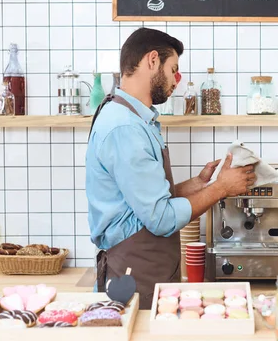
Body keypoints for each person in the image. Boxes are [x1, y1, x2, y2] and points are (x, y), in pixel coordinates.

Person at [85, 27, 255, 308]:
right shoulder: (125, 127)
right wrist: (221, 188)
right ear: (152, 61)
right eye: (173, 69)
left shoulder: (133, 118)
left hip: (145, 268)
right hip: (132, 274)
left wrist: (201, 183)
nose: (176, 79)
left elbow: (144, 202)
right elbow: (160, 218)